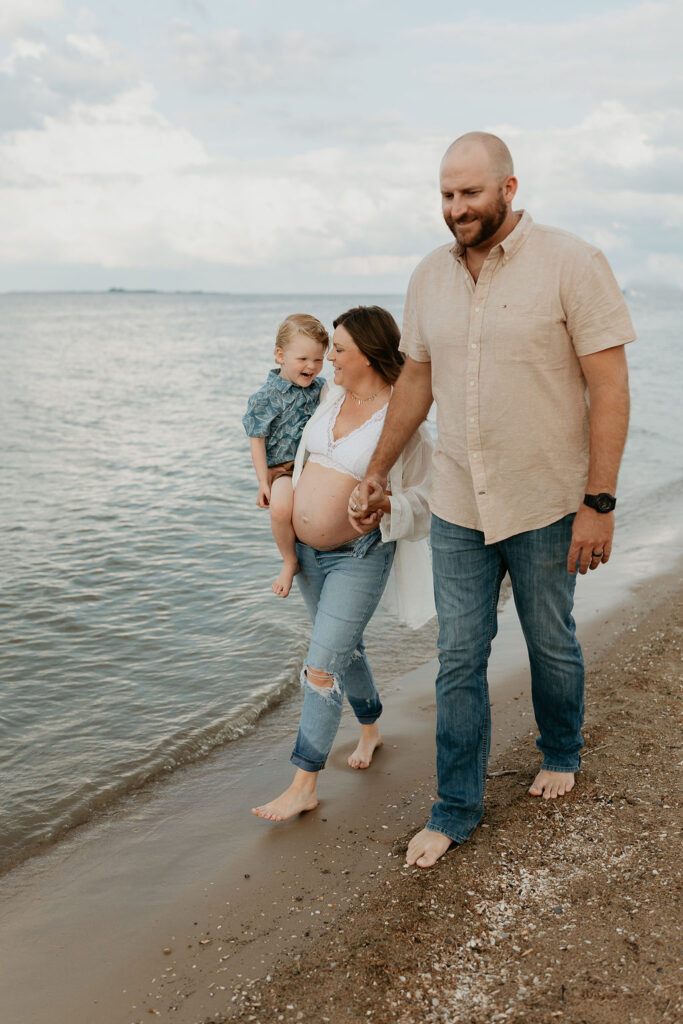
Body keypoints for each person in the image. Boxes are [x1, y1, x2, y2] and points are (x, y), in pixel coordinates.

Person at [350, 132, 635, 868]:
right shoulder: (427, 277)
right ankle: (453, 808)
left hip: (544, 499)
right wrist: (378, 468)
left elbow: (608, 388)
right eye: (445, 194)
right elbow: (415, 381)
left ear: (509, 188)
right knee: (456, 656)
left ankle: (561, 749)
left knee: (549, 640)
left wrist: (597, 501)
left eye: (469, 193)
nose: (455, 208)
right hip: (455, 500)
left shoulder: (572, 262)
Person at [252, 305, 434, 822]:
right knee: (343, 648)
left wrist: (387, 507)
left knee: (321, 667)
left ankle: (304, 782)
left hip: (359, 556)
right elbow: (285, 431)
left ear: (370, 356)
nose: (328, 356)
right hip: (308, 556)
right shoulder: (327, 398)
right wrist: (274, 481)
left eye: (338, 349)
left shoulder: (403, 421)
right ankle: (371, 726)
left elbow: (427, 499)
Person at [243, 314, 328, 597]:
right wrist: (262, 481)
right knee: (280, 509)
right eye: (303, 359)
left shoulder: (320, 388)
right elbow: (257, 439)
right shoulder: (265, 397)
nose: (311, 366)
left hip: (314, 464)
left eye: (318, 359)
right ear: (280, 355)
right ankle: (289, 560)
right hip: (282, 468)